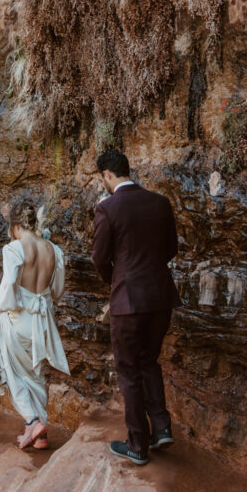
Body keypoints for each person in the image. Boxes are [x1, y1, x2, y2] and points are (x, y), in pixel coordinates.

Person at [92, 149, 180, 466]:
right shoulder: (160, 203)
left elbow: (100, 259)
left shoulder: (108, 208)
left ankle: (137, 445)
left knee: (129, 371)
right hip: (161, 298)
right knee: (149, 362)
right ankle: (162, 428)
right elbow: (171, 249)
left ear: (107, 175)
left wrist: (115, 282)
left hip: (128, 300)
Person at [0, 198, 70, 450]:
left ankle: (33, 421)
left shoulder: (14, 249)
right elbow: (57, 289)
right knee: (36, 374)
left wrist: (5, 307)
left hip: (18, 317)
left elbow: (10, 283)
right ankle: (39, 436)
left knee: (14, 374)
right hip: (43, 320)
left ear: (15, 226)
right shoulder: (54, 249)